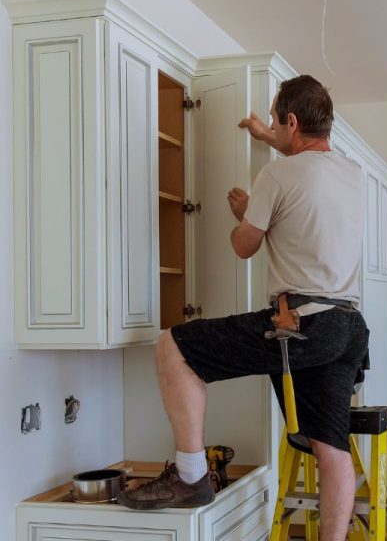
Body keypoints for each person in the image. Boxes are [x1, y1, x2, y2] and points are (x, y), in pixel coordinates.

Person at [118, 75, 369, 541]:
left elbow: (243, 247)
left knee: (174, 345)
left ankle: (191, 475)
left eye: (276, 121)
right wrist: (268, 138)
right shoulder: (352, 172)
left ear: (292, 122)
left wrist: (246, 215)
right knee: (331, 447)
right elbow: (305, 170)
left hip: (303, 322)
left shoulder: (276, 175)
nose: (272, 126)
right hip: (348, 326)